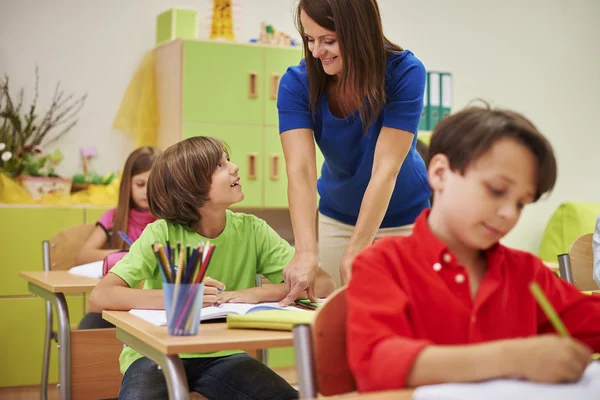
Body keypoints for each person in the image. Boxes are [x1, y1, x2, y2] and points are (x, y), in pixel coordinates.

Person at [346, 104, 600, 392]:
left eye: (521, 203)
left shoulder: (526, 273)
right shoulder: (383, 263)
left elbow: (592, 319)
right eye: (496, 190)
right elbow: (375, 364)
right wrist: (514, 358)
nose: (509, 214)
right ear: (440, 173)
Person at [88, 136, 335, 400]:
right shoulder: (160, 233)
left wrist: (257, 293)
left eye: (227, 160)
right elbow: (99, 297)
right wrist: (178, 298)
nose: (234, 167)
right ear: (189, 187)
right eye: (219, 165)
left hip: (223, 354)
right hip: (154, 352)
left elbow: (323, 284)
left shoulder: (252, 230)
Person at [277, 0, 430, 303]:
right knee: (341, 323)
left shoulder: (405, 72)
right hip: (338, 216)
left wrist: (358, 248)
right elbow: (301, 172)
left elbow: (386, 168)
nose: (316, 51)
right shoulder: (297, 84)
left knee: (402, 325)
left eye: (328, 40)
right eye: (309, 39)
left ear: (358, 32)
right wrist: (306, 251)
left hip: (406, 218)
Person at [77, 146, 160, 329]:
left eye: (153, 184)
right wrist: (127, 254)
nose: (147, 191)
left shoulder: (167, 222)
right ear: (127, 184)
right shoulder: (113, 218)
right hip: (119, 304)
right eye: (140, 184)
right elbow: (84, 255)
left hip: (155, 305)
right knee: (88, 327)